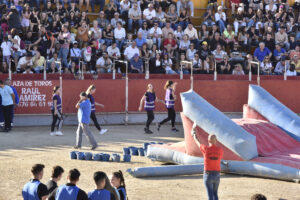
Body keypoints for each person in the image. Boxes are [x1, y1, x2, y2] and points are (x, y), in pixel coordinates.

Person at [192, 129, 224, 200]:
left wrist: (194, 136)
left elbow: (198, 143)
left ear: (208, 141)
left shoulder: (205, 149)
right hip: (217, 174)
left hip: (208, 174)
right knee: (215, 194)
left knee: (210, 195)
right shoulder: (220, 150)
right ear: (216, 141)